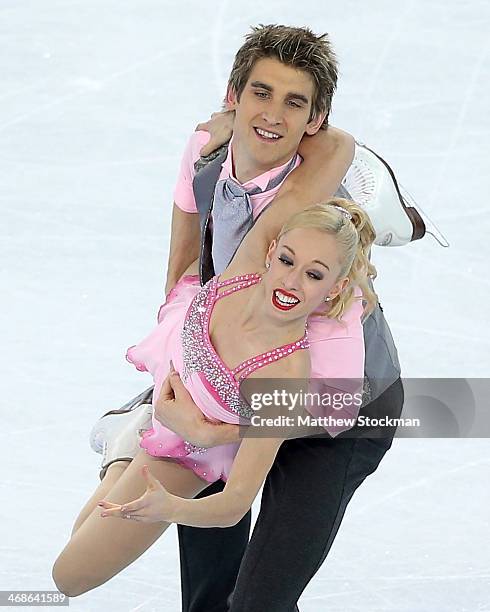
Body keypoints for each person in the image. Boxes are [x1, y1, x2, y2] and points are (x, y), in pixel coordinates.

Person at [88, 25, 405, 611]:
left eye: (295, 102)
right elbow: (187, 269)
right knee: (208, 591)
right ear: (233, 97)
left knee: (258, 601)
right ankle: (143, 422)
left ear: (317, 119)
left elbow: (328, 402)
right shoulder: (209, 154)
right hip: (240, 385)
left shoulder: (324, 230)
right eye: (260, 93)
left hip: (335, 412)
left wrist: (207, 431)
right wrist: (175, 373)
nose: (273, 115)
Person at [52, 198, 377, 597]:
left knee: (69, 575)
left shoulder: (284, 376)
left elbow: (236, 502)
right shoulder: (244, 270)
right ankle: (138, 426)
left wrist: (171, 507)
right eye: (288, 261)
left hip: (187, 454)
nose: (292, 282)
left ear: (336, 288)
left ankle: (127, 445)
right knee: (80, 538)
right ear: (271, 251)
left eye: (314, 274)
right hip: (170, 399)